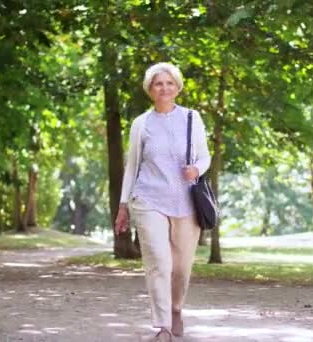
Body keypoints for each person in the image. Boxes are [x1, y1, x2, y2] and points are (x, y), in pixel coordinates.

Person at [114, 62, 211, 342]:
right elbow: (132, 166)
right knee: (159, 261)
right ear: (150, 89)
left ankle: (176, 308)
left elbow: (205, 157)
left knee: (181, 266)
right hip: (148, 199)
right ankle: (163, 326)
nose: (164, 88)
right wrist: (123, 206)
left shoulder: (193, 118)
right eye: (158, 84)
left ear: (177, 87)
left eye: (169, 83)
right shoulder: (141, 124)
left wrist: (197, 169)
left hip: (186, 203)